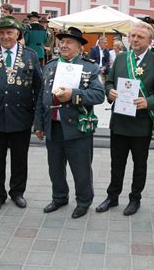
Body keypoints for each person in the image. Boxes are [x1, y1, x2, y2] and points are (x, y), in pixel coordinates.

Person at [95, 22, 154, 216]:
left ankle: (135, 198)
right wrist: (108, 91)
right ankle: (112, 197)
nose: (135, 40)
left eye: (140, 37)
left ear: (150, 40)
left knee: (139, 165)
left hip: (141, 123)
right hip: (119, 121)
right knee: (116, 163)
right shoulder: (120, 58)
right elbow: (109, 81)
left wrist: (148, 102)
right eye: (132, 36)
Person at [0, 16, 43, 213]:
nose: (5, 36)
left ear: (17, 34)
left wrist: (38, 120)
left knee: (20, 159)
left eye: (9, 32)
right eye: (1, 32)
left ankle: (17, 192)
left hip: (21, 116)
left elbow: (39, 88)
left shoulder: (30, 55)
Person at [34, 27, 104, 219]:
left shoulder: (90, 67)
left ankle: (83, 201)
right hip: (53, 125)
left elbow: (99, 95)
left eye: (69, 42)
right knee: (55, 167)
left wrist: (73, 95)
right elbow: (42, 96)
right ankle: (59, 197)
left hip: (77, 127)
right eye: (62, 42)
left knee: (81, 168)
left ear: (80, 47)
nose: (63, 45)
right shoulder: (50, 66)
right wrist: (39, 124)